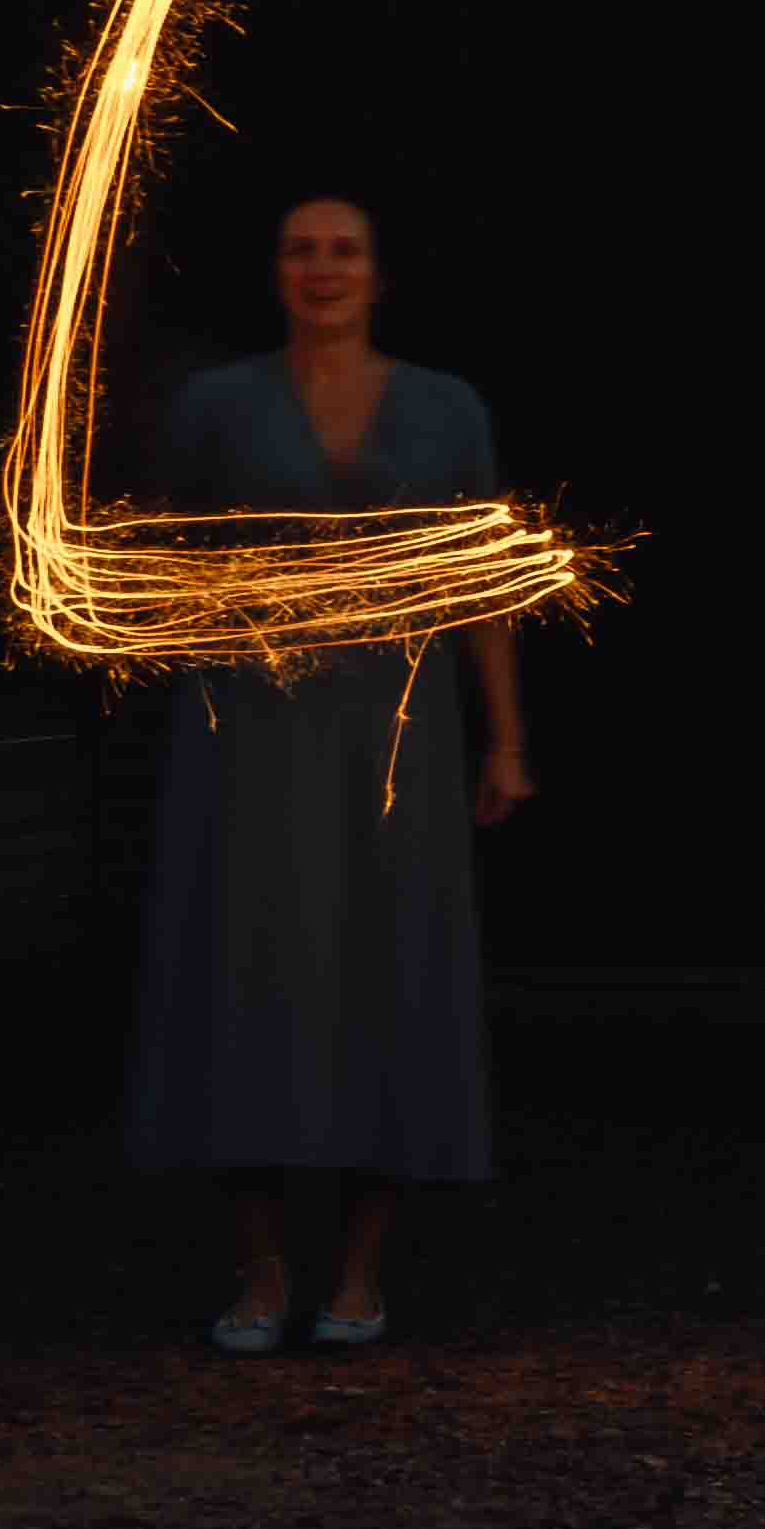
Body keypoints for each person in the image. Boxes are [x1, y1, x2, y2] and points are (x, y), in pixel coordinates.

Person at [124, 191, 526, 1351]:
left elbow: (482, 582)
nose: (323, 267)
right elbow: (167, 560)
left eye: (344, 249)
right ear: (276, 271)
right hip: (248, 728)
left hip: (399, 732)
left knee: (391, 970)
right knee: (245, 975)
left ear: (378, 273)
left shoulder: (446, 407)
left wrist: (507, 738)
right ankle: (260, 1271)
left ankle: (357, 1272)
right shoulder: (216, 407)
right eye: (301, 249)